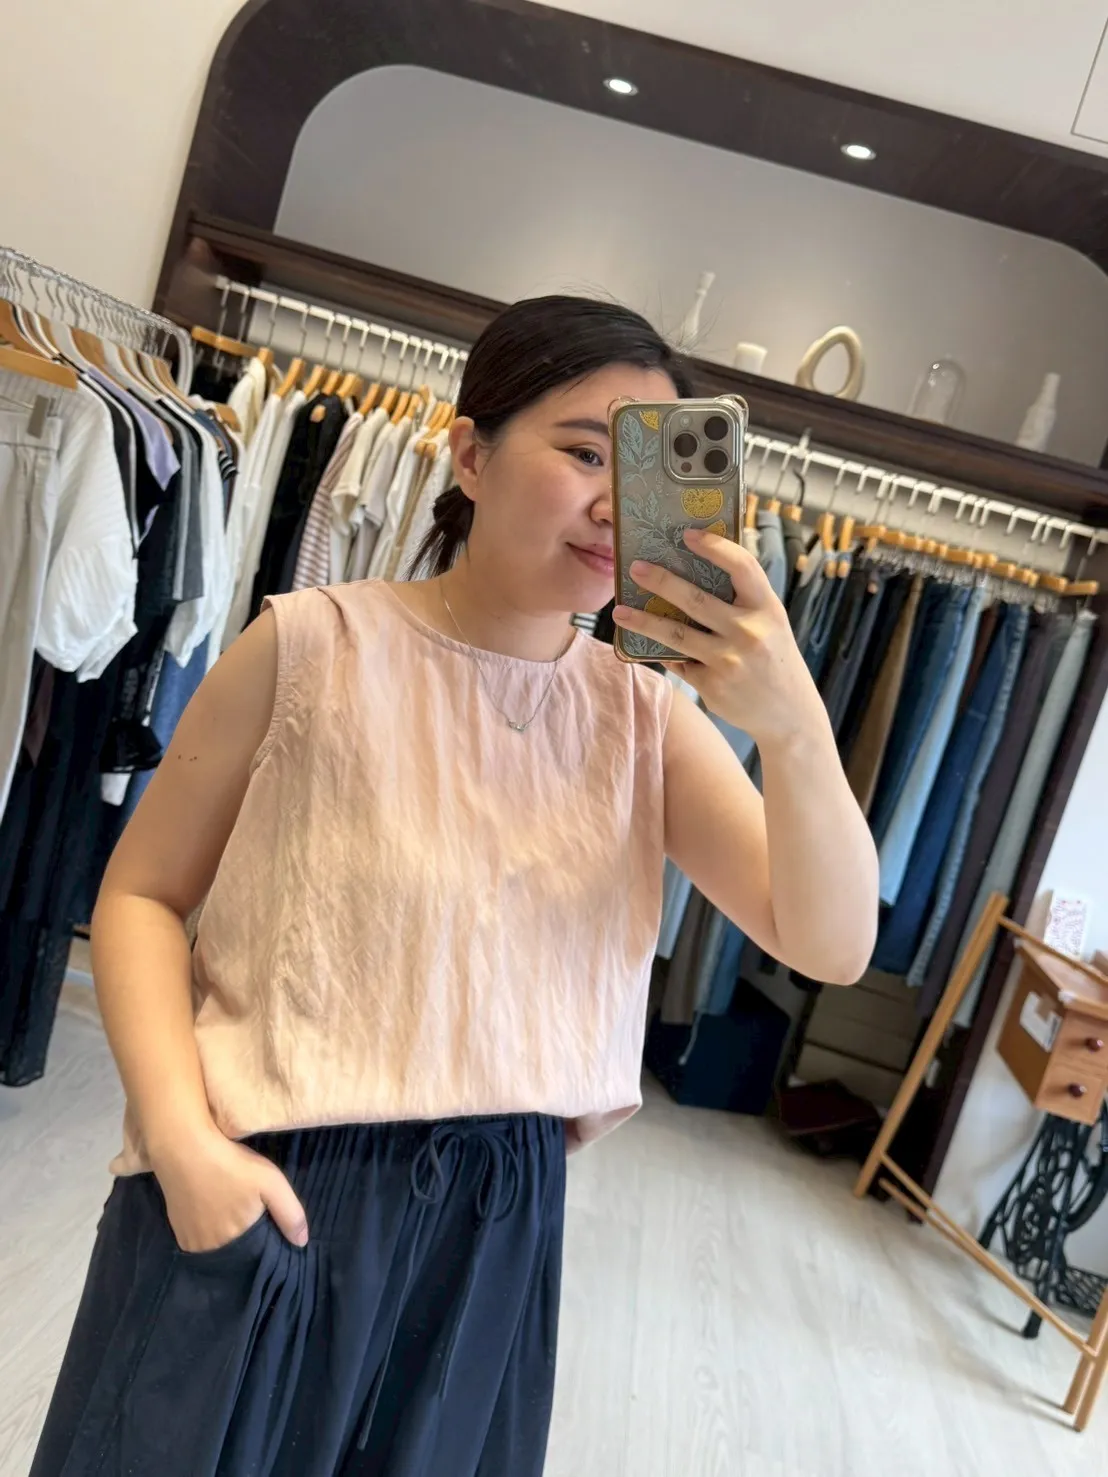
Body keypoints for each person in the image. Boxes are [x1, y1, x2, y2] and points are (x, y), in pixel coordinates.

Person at [32, 296, 878, 1477]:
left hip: (490, 1232)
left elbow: (830, 942)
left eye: (642, 470)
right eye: (582, 451)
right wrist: (178, 1139)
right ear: (471, 454)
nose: (612, 503)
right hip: (265, 1173)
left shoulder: (646, 721)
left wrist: (792, 728)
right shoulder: (310, 646)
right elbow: (140, 897)